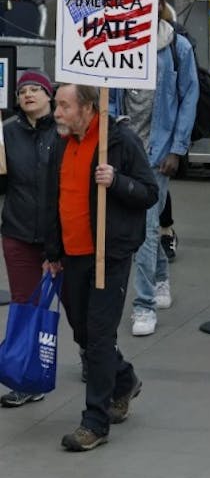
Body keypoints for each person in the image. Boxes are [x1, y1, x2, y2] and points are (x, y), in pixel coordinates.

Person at [44, 84, 158, 451]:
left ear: (89, 107)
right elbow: (53, 198)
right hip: (72, 253)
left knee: (98, 335)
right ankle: (123, 379)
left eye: (64, 106)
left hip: (108, 255)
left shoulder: (119, 141)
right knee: (82, 330)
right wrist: (52, 250)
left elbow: (149, 191)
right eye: (57, 106)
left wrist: (118, 181)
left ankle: (95, 421)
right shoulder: (61, 141)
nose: (57, 112)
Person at [113, 0, 198, 337]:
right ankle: (161, 277)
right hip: (124, 147)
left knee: (146, 226)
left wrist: (177, 148)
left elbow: (188, 97)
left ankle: (143, 304)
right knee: (144, 225)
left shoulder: (177, 46)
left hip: (159, 149)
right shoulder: (116, 44)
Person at [0, 71, 59, 407]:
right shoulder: (6, 133)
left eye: (36, 88)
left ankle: (99, 365)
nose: (28, 94)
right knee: (24, 306)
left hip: (60, 235)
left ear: (49, 95)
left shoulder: (64, 130)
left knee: (78, 307)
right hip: (19, 232)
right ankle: (26, 375)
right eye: (22, 90)